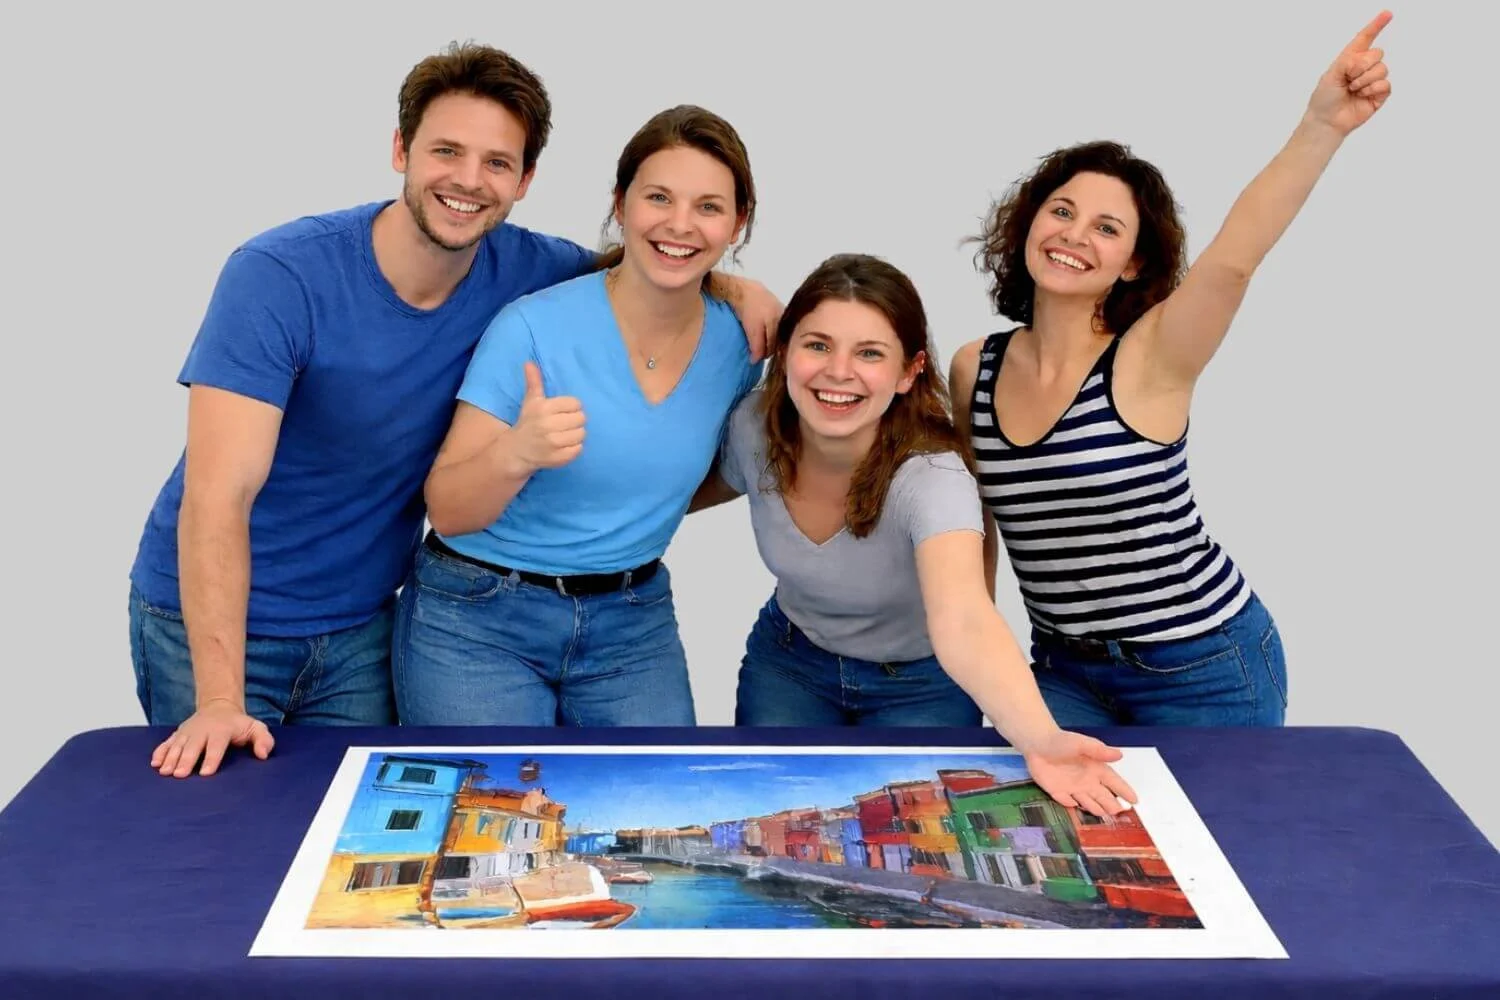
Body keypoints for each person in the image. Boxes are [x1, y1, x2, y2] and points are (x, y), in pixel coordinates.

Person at [129, 44, 783, 778]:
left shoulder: (537, 271)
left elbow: (648, 270)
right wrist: (220, 698)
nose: (469, 181)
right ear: (401, 148)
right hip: (220, 621)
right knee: (224, 837)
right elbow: (219, 496)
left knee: (353, 847)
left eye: (498, 163)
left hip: (364, 619)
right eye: (446, 150)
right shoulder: (280, 276)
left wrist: (737, 289)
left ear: (526, 179)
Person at [948, 13, 1395, 727]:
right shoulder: (977, 366)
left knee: (1214, 839)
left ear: (1134, 262)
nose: (1073, 234)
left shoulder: (1153, 351)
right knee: (1066, 837)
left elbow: (1235, 256)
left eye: (1106, 227)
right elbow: (975, 527)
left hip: (1203, 667)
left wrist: (1323, 125)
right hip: (1063, 670)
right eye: (1061, 211)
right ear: (1028, 223)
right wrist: (980, 653)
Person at [691, 253, 1137, 818]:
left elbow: (965, 619)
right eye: (818, 345)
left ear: (909, 371)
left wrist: (1043, 741)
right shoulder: (754, 427)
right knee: (769, 807)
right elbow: (663, 500)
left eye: (870, 354)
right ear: (785, 353)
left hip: (921, 686)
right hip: (789, 665)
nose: (838, 371)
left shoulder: (931, 476)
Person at [392, 104, 764, 728]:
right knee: (489, 804)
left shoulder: (740, 342)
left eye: (708, 207)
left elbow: (706, 471)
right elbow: (449, 509)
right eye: (658, 198)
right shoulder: (532, 327)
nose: (680, 224)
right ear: (621, 206)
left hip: (631, 620)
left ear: (737, 223)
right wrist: (518, 455)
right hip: (479, 618)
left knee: (658, 809)